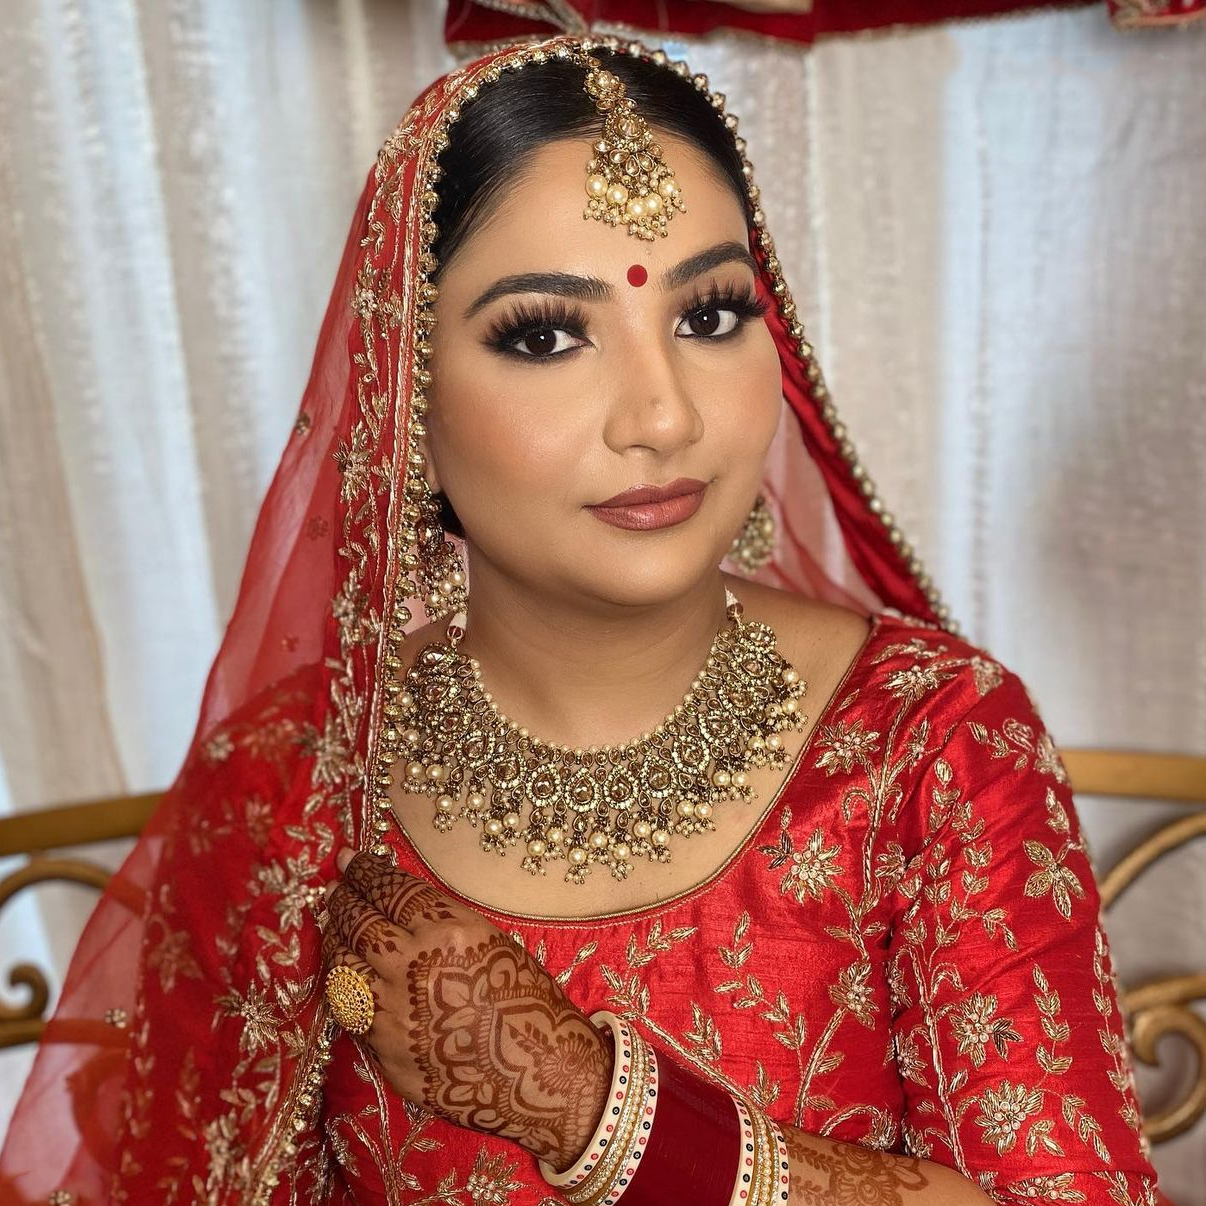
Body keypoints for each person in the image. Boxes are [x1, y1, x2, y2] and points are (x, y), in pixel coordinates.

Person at [0, 33, 1158, 1206]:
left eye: (710, 316)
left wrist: (588, 1107)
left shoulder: (932, 747)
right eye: (546, 335)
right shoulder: (286, 790)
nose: (663, 416)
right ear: (405, 399)